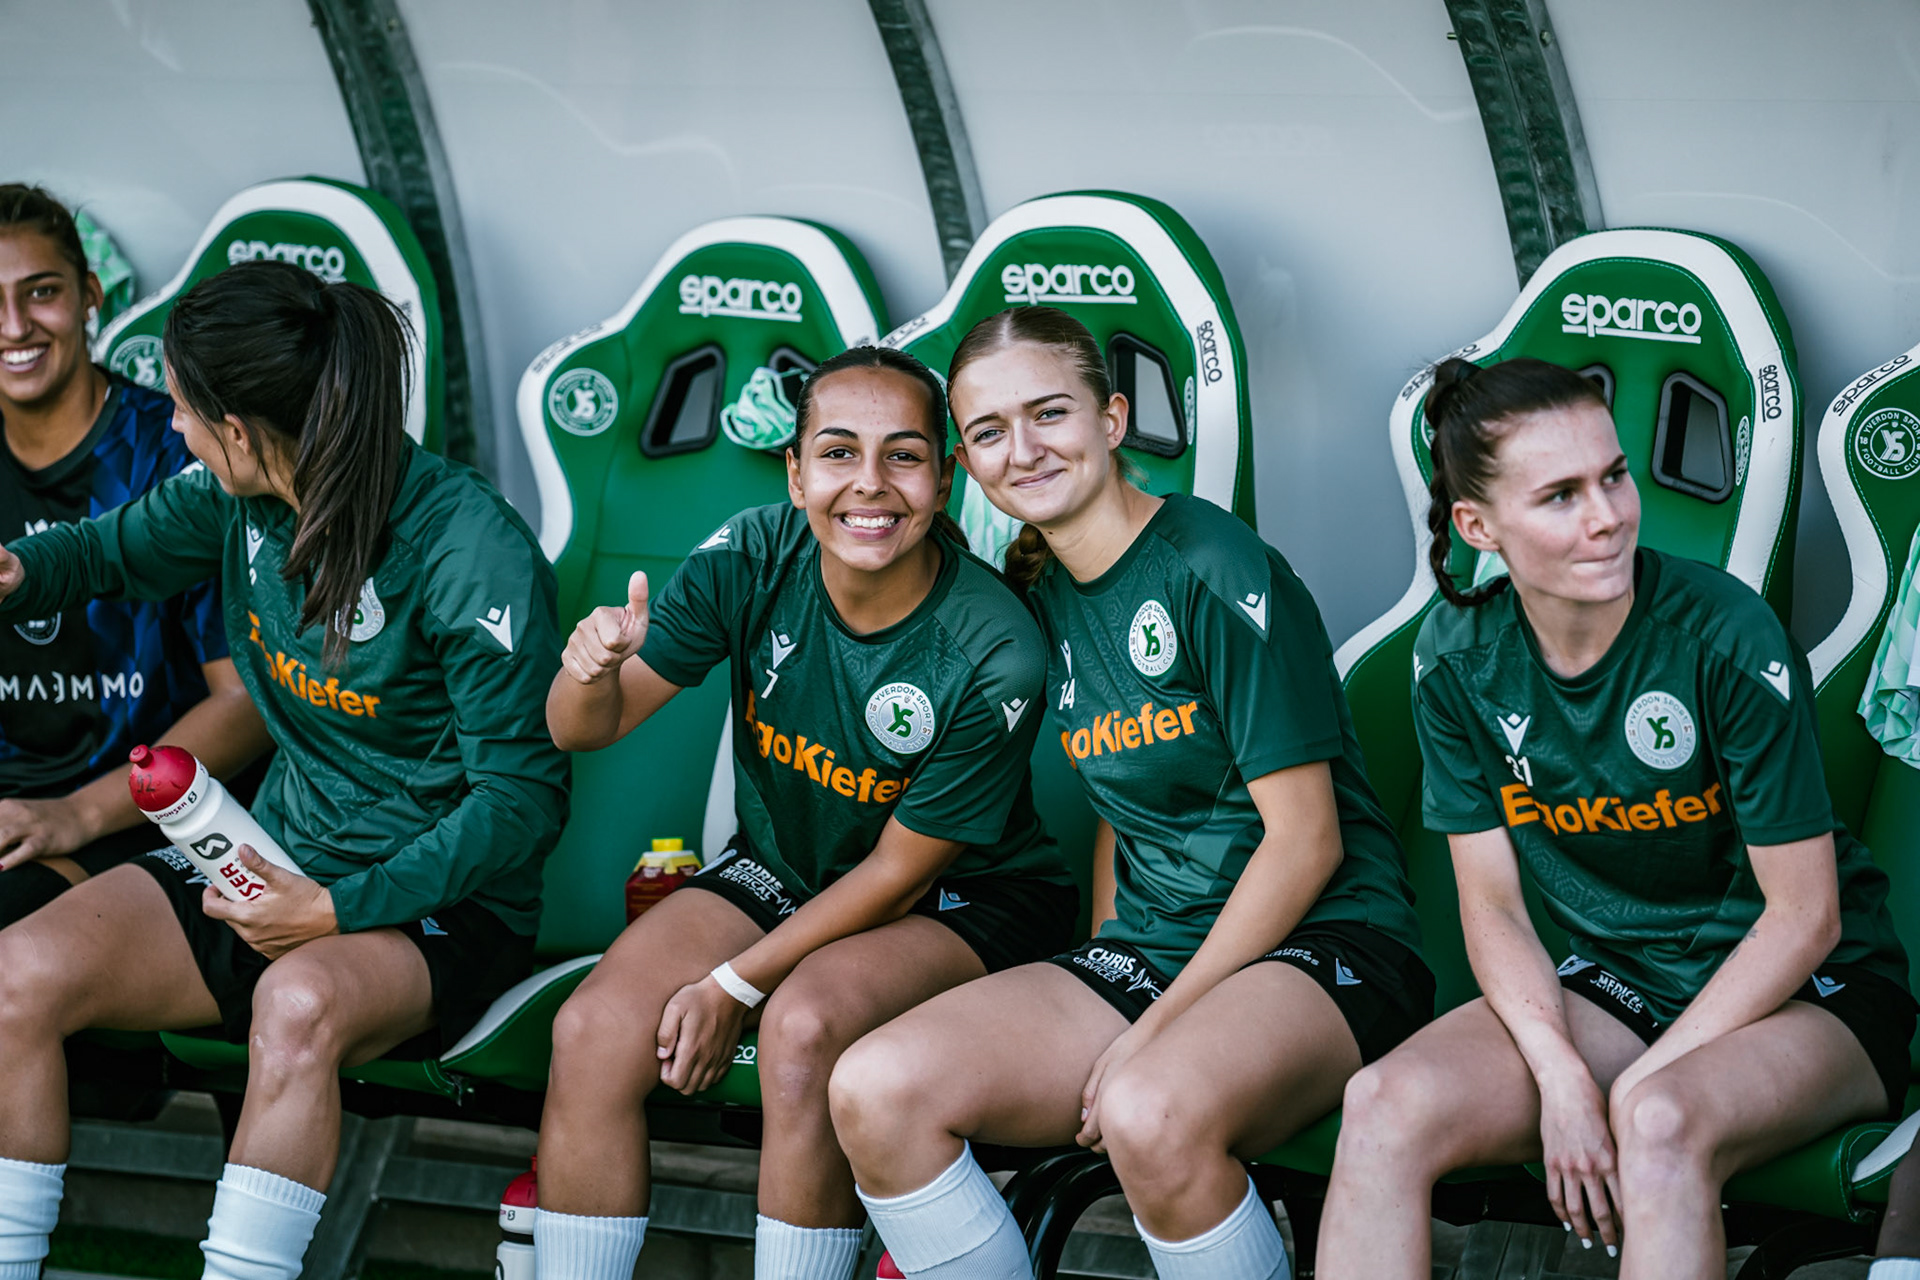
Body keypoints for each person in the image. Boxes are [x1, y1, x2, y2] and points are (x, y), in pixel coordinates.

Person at [828, 305, 1431, 1280]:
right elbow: (1127, 807)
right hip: (1155, 949)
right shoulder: (1040, 592)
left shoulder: (1214, 565)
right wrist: (1114, 958)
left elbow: (1305, 843)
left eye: (1049, 412)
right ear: (966, 466)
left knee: (1151, 1106)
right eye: (988, 431)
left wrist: (1154, 1027)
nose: (1022, 448)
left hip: (1325, 947)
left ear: (1111, 418)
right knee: (873, 1085)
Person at [0, 259, 569, 1280]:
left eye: (180, 412)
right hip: (274, 856)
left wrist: (339, 906)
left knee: (296, 1003)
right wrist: (19, 570)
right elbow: (114, 550)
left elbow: (520, 802)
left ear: (242, 431)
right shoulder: (238, 498)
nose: (170, 429)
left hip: (438, 905)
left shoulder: (468, 546)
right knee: (16, 976)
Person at [1316, 357, 1915, 1280]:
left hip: (1813, 996)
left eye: (1614, 476)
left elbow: (1806, 918)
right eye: (1559, 495)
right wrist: (1559, 1074)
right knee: (1383, 1104)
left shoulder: (1723, 634)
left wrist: (1638, 1080)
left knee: (1657, 1121)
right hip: (1623, 981)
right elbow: (1495, 906)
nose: (1606, 517)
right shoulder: (1456, 658)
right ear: (1479, 526)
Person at [535, 344, 1078, 1280]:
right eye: (837, 452)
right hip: (784, 868)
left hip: (964, 900)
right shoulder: (753, 552)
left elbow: (900, 872)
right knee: (589, 1031)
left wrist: (734, 984)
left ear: (947, 481)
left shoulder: (995, 645)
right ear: (794, 473)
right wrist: (587, 671)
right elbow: (589, 729)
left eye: (904, 455)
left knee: (801, 1026)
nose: (869, 484)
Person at [0, 184, 267, 925]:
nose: (15, 326)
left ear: (90, 295)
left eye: (42, 292)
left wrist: (75, 816)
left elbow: (245, 701)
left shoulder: (180, 449)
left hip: (145, 824)